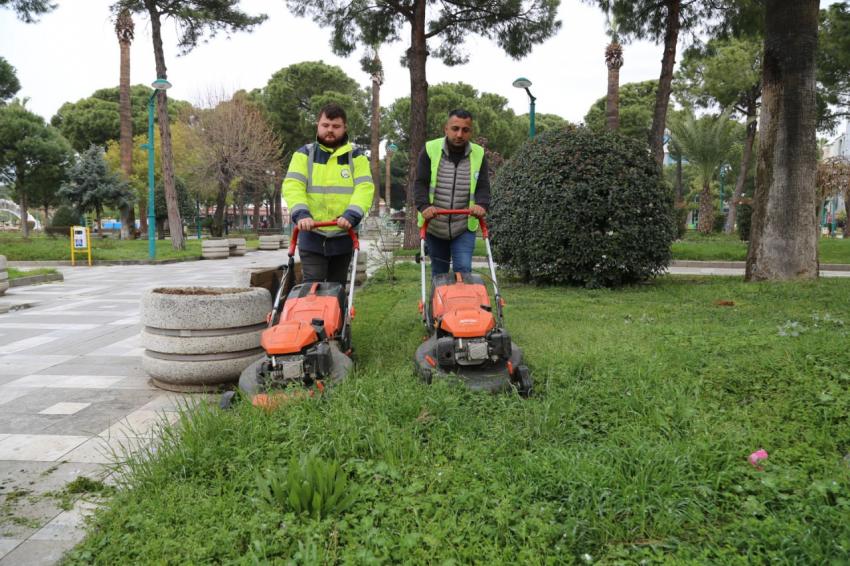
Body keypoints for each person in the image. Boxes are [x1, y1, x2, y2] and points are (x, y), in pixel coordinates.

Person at [283, 103, 375, 283]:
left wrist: (351, 215)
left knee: (337, 286)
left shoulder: (357, 157)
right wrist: (302, 215)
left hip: (343, 234)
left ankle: (339, 311)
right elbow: (293, 186)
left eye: (336, 126)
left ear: (344, 128)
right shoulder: (304, 155)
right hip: (312, 233)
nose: (330, 130)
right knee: (313, 285)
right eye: (325, 125)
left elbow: (364, 188)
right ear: (318, 125)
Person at [414, 108, 490, 275]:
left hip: (463, 226)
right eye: (455, 129)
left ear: (470, 132)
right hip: (435, 225)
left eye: (465, 130)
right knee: (439, 272)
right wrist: (424, 206)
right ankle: (437, 301)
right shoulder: (430, 149)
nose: (459, 134)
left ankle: (464, 301)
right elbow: (420, 183)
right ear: (446, 129)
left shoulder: (478, 154)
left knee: (463, 270)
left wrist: (481, 204)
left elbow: (483, 185)